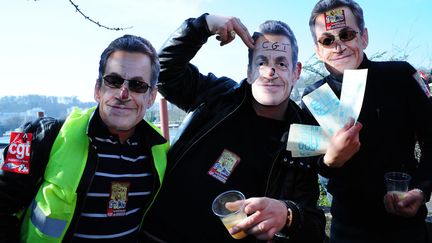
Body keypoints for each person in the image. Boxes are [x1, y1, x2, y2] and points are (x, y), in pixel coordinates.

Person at [142, 14, 326, 243]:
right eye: (261, 62)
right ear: (249, 70)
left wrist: (287, 215)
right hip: (153, 235)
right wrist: (202, 26)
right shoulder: (217, 95)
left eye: (281, 63)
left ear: (296, 72)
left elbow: (313, 223)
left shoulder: (303, 136)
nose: (270, 72)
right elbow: (163, 73)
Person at [0, 35, 169, 242]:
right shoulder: (40, 134)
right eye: (113, 81)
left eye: (137, 85)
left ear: (151, 97)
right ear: (98, 89)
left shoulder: (160, 149)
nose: (123, 93)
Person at [304, 0, 432, 242]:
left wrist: (421, 189)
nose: (338, 46)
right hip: (346, 229)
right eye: (328, 40)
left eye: (347, 34)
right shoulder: (314, 96)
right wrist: (330, 161)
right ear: (318, 49)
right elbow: (309, 167)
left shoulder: (400, 76)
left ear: (364, 37)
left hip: (406, 227)